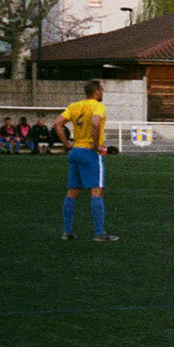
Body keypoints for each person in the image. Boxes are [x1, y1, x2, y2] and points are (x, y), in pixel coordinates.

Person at [55, 81, 116, 241]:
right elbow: (95, 122)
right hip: (90, 152)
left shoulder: (74, 106)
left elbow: (57, 124)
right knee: (97, 190)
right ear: (97, 91)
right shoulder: (97, 106)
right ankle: (99, 233)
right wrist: (96, 144)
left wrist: (67, 144)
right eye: (101, 90)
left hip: (75, 151)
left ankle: (66, 231)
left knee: (72, 191)